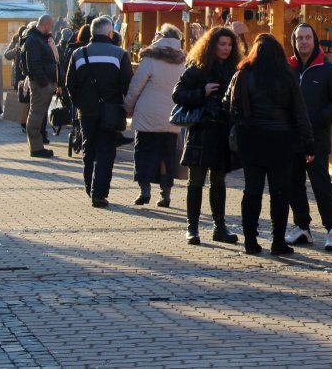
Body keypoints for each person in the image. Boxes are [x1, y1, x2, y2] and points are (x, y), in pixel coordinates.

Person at [227, 34, 315, 255]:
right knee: (279, 192)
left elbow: (228, 104)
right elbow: (300, 111)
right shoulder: (287, 76)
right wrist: (308, 143)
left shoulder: (243, 74)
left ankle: (250, 240)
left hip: (251, 139)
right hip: (281, 140)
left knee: (252, 191)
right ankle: (278, 241)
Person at [173, 26, 241, 246]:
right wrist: (202, 92)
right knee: (196, 182)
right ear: (212, 45)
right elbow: (178, 94)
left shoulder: (234, 69)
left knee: (219, 182)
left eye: (230, 45)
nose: (226, 48)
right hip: (201, 132)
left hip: (222, 132)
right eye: (222, 44)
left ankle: (219, 227)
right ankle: (192, 227)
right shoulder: (198, 68)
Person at [285, 23, 332, 250]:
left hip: (317, 138)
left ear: (315, 41)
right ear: (294, 42)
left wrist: (319, 118)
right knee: (294, 183)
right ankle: (302, 227)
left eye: (307, 38)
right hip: (292, 138)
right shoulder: (288, 69)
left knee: (321, 182)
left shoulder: (329, 70)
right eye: (299, 38)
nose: (303, 42)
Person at [66, 16, 133, 207]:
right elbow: (127, 84)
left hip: (86, 111)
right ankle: (99, 192)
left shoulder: (79, 54)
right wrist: (127, 107)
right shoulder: (119, 54)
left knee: (89, 148)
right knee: (106, 150)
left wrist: (79, 103)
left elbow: (70, 84)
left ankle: (89, 187)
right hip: (111, 111)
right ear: (110, 33)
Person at [124, 24, 186, 208]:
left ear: (161, 37)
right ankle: (165, 194)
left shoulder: (150, 58)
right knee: (167, 155)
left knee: (143, 152)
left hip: (147, 115)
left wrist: (128, 106)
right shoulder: (182, 60)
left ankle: (144, 191)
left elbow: (136, 87)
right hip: (171, 117)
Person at [21, 15, 58, 158]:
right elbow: (34, 65)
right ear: (47, 24)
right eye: (51, 26)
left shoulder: (38, 38)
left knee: (38, 114)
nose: (52, 29)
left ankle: (37, 146)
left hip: (43, 82)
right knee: (36, 114)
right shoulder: (34, 40)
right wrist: (44, 83)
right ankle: (36, 148)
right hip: (40, 84)